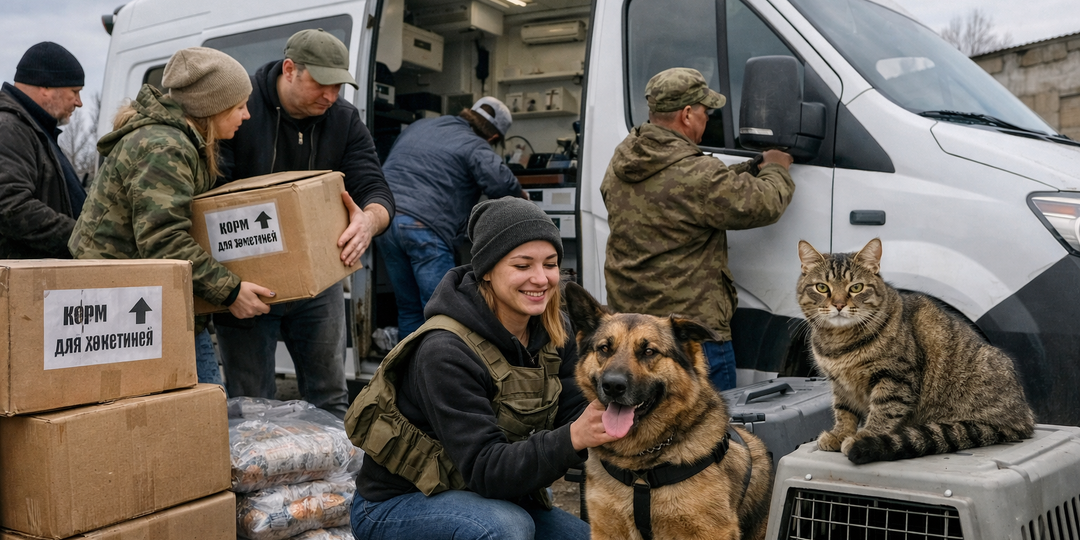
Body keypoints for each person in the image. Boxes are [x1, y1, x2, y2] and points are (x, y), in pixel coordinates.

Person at [348, 197, 618, 539]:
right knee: (503, 529)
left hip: (496, 498)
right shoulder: (445, 350)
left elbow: (576, 412)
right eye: (523, 266)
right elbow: (487, 470)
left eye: (550, 264)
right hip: (398, 504)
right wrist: (575, 436)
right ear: (487, 271)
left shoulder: (556, 332)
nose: (541, 279)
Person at [215, 29, 395, 419]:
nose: (331, 96)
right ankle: (258, 479)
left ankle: (334, 479)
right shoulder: (240, 111)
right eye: (322, 84)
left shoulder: (344, 119)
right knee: (251, 403)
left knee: (330, 396)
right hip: (249, 284)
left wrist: (369, 221)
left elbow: (375, 187)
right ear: (290, 69)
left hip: (320, 282)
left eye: (338, 86)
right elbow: (212, 196)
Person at [69, 47, 274, 386]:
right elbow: (164, 240)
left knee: (201, 406)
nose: (247, 115)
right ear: (212, 107)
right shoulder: (166, 147)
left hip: (143, 300)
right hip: (123, 310)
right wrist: (230, 290)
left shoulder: (181, 140)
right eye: (239, 106)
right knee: (200, 410)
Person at [601, 67, 794, 392]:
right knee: (709, 434)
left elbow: (689, 189)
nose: (708, 119)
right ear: (687, 114)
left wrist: (749, 167)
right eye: (706, 111)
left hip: (632, 335)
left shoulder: (624, 157)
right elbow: (764, 203)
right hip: (689, 336)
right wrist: (776, 165)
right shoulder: (696, 174)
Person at [376, 96, 528, 337]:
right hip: (424, 227)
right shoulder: (475, 145)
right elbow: (501, 184)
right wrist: (522, 197)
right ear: (493, 137)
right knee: (442, 311)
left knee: (408, 308)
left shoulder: (422, 125)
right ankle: (439, 371)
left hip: (386, 221)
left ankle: (409, 371)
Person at [0, 42, 87, 259]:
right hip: (25, 283)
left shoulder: (34, 129)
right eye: (74, 91)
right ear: (46, 88)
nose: (79, 102)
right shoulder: (8, 128)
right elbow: (10, 205)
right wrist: (82, 239)